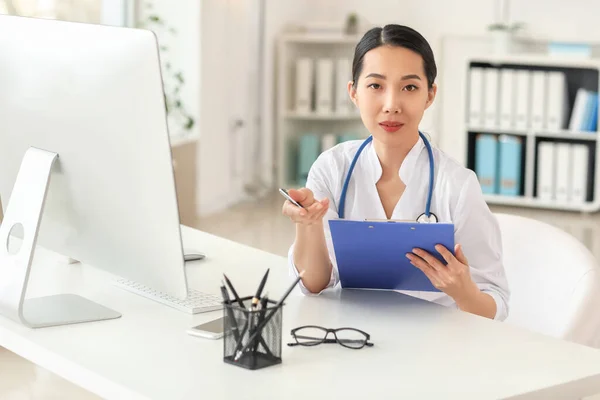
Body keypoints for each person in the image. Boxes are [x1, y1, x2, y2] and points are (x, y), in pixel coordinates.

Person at [282, 24, 510, 321]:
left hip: (433, 346)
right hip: (351, 334)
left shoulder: (457, 185)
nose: (391, 106)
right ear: (354, 92)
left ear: (430, 95)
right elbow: (314, 284)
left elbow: (496, 306)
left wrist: (463, 290)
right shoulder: (331, 168)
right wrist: (308, 225)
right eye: (376, 86)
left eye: (410, 87)